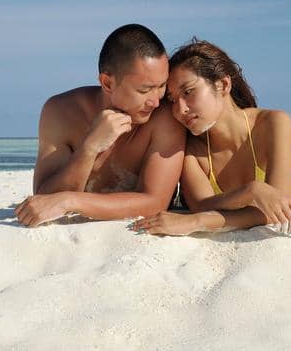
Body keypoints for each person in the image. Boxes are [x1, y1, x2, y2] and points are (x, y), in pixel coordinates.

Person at [15, 23, 186, 227]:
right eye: (144, 90)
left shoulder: (164, 117)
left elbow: (155, 202)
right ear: (107, 83)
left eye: (161, 86)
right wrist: (89, 149)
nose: (156, 101)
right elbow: (44, 199)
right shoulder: (60, 112)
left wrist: (70, 200)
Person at [130, 39, 291, 235]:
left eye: (188, 92)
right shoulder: (191, 151)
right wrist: (251, 192)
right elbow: (201, 204)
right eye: (172, 100)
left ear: (223, 84)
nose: (180, 109)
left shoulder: (273, 124)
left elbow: (278, 206)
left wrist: (196, 222)